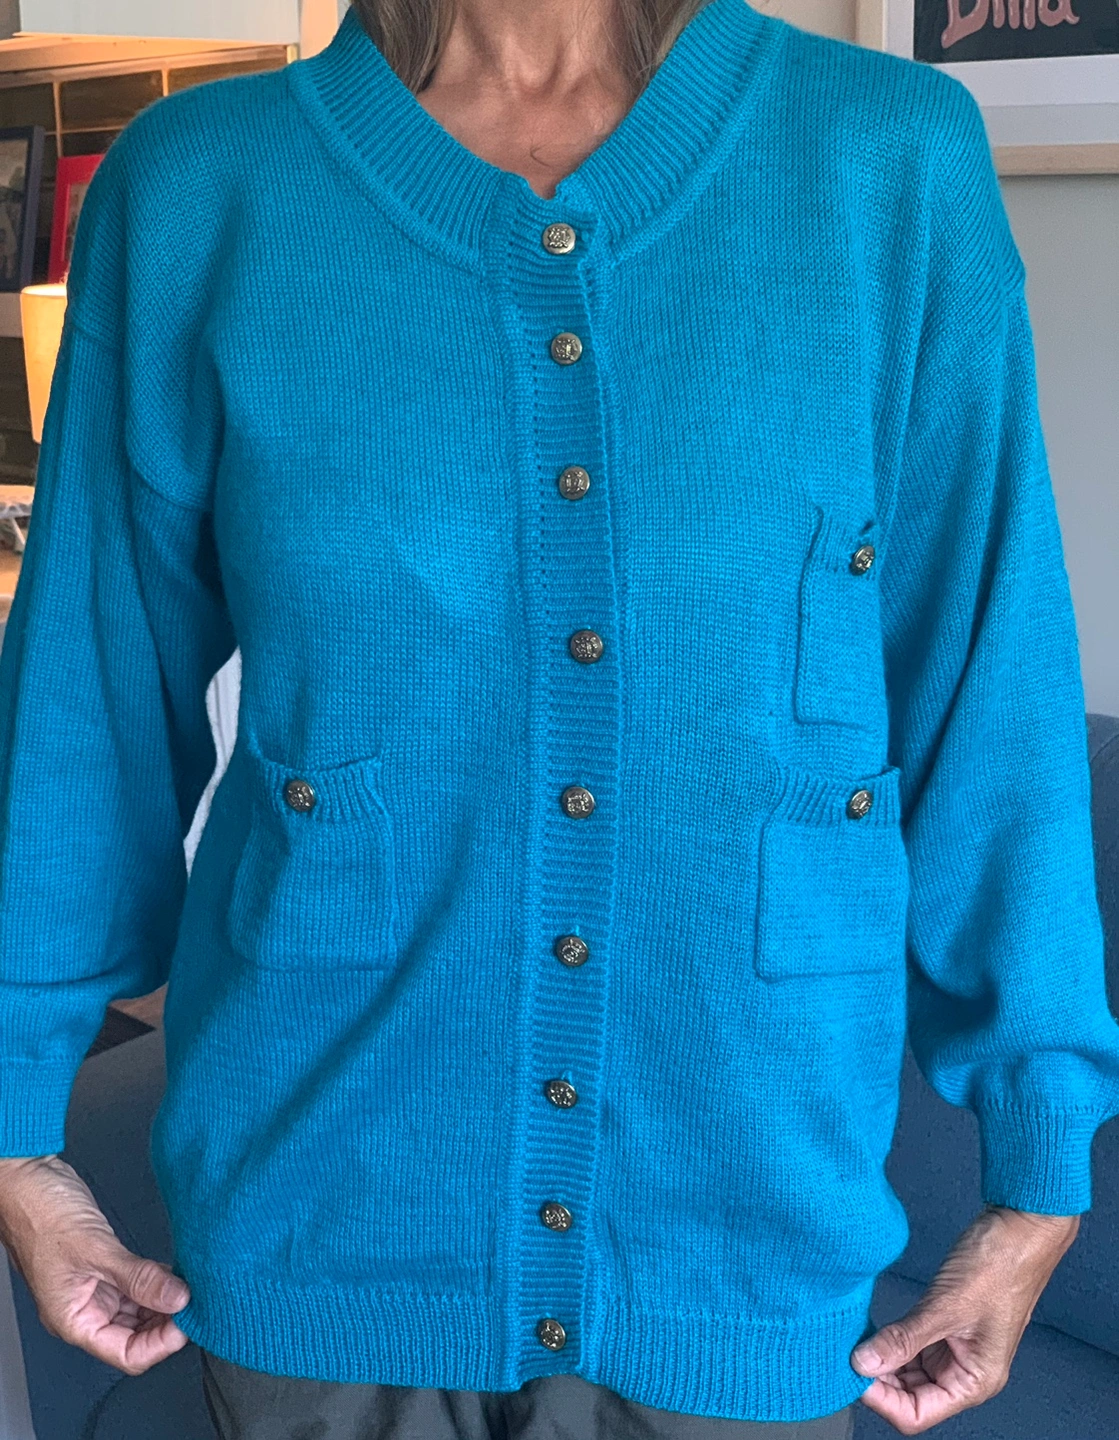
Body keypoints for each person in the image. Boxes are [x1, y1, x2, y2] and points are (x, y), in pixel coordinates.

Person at [0, 0, 1116, 1436]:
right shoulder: (201, 185)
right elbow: (83, 706)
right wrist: (16, 1131)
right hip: (323, 1207)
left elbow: (989, 692)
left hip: (744, 1223)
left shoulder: (884, 163)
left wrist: (1037, 1169)